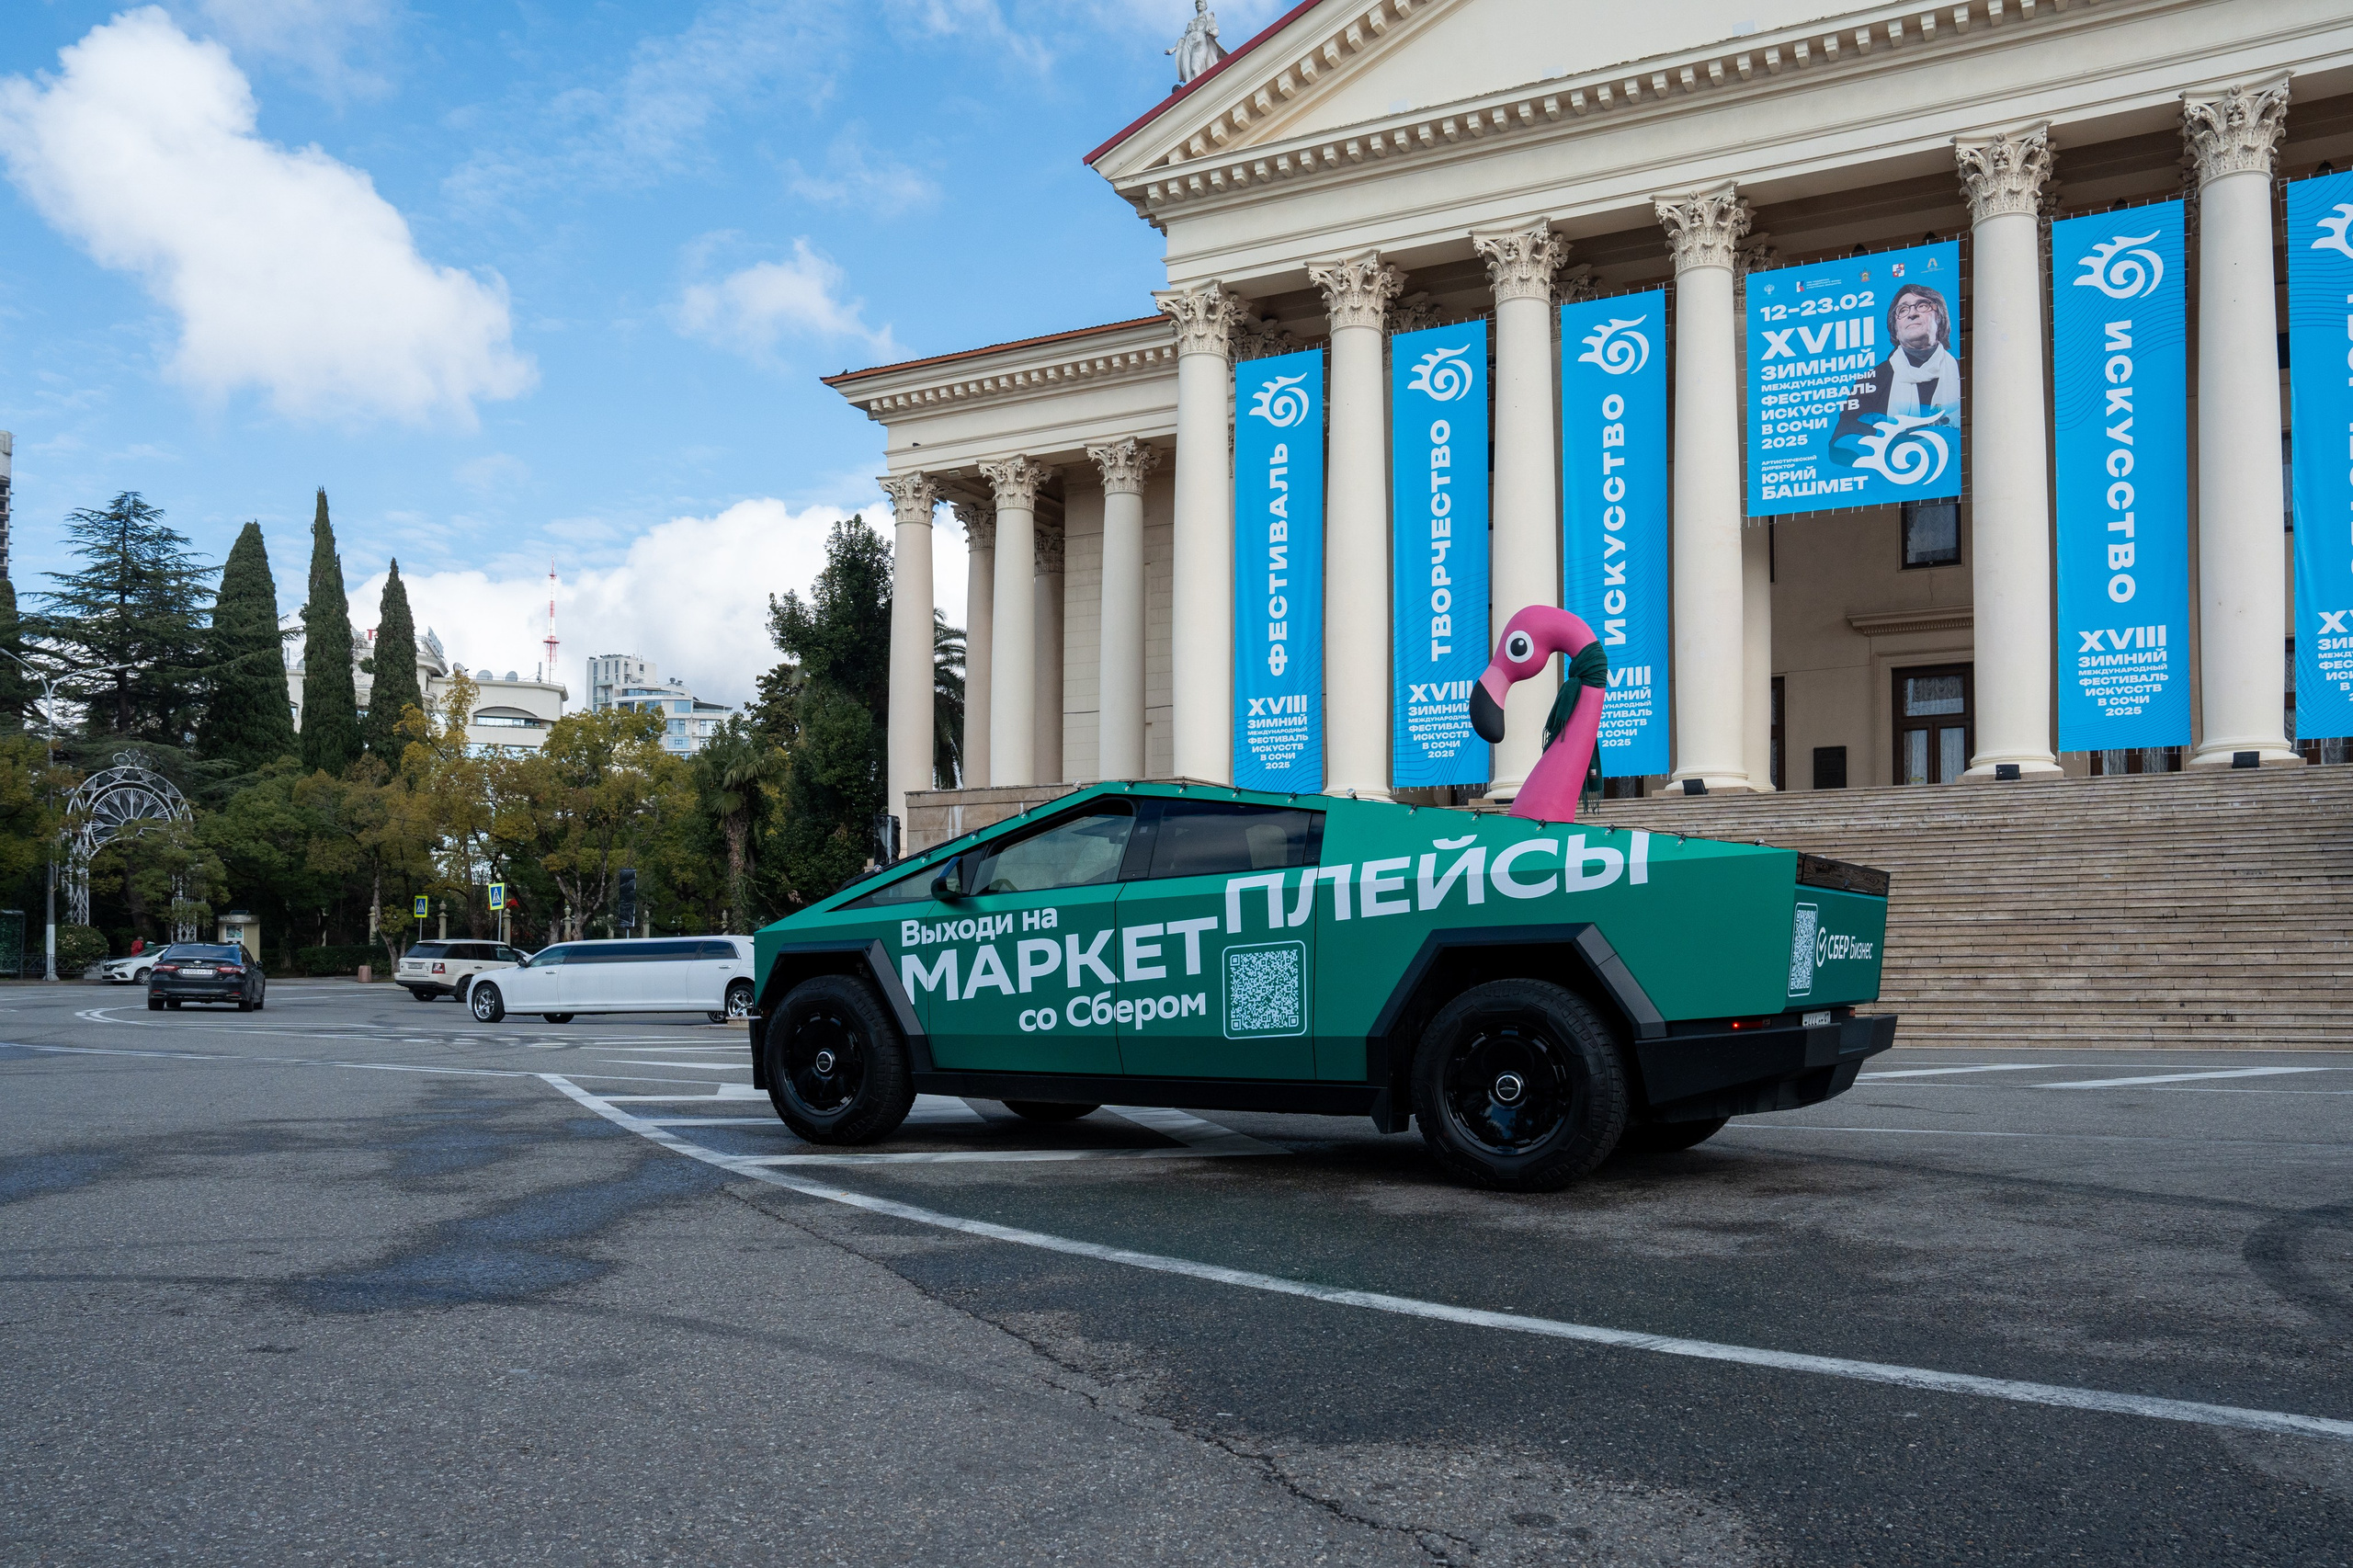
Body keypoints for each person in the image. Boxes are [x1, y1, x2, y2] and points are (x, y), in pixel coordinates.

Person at [1830, 282, 1961, 457]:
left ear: (1940, 318)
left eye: (1922, 305)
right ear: (1895, 330)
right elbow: (1842, 440)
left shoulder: (1964, 372)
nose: (1912, 313)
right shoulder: (1873, 379)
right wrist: (1898, 447)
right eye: (1903, 310)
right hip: (1888, 478)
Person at [1168, 0, 1227, 85]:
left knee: (1195, 68)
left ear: (1205, 6)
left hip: (1200, 41)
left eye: (1201, 2)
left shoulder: (1208, 17)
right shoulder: (1191, 22)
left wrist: (1212, 33)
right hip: (1188, 43)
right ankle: (1190, 90)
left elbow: (1216, 30)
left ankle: (1203, 88)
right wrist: (1173, 50)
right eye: (1196, 3)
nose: (1198, 4)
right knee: (1187, 71)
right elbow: (1184, 38)